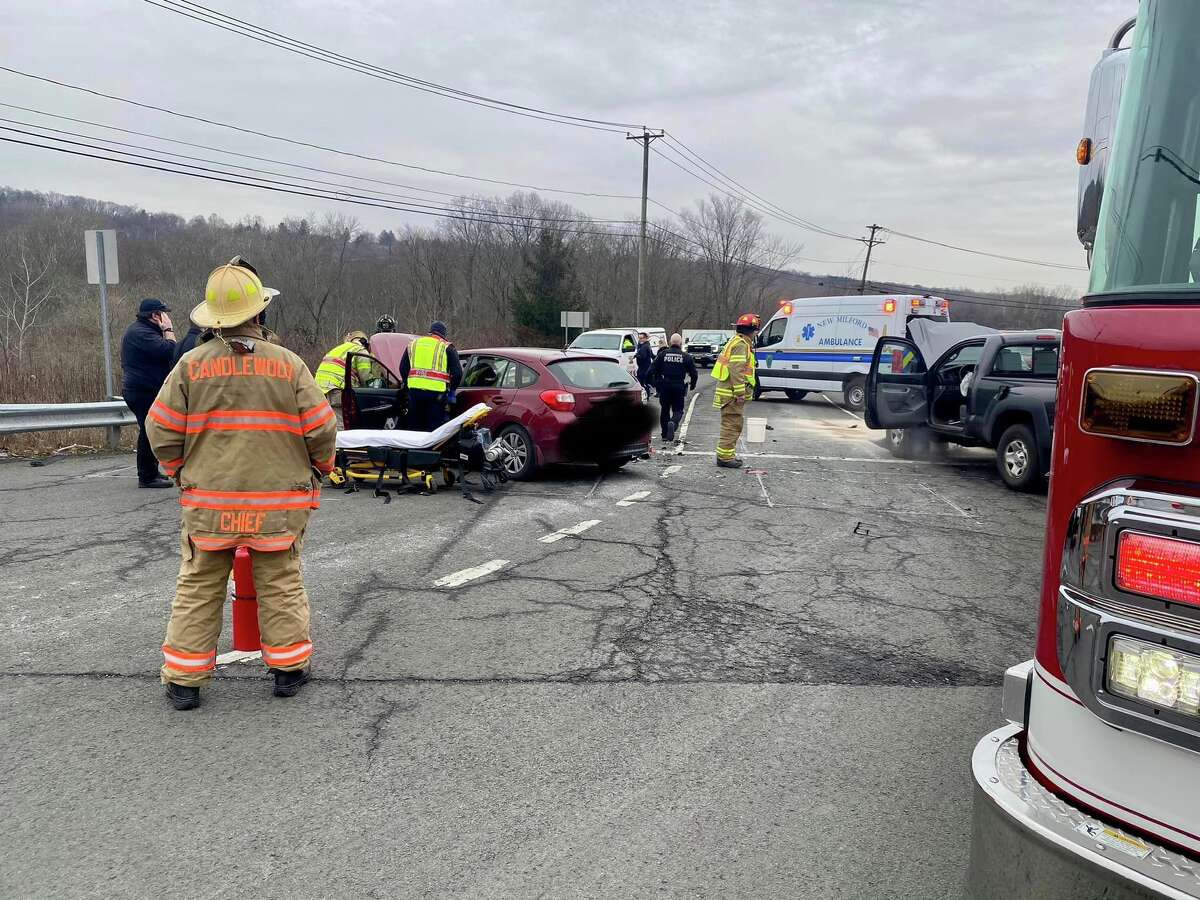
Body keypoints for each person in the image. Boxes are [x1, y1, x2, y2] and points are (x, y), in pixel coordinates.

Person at [146, 256, 336, 711]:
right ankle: (288, 671)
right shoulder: (289, 366)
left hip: (209, 505)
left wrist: (180, 474)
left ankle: (185, 683)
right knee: (282, 582)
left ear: (212, 319)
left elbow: (160, 430)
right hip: (278, 505)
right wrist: (321, 468)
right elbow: (322, 430)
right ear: (259, 312)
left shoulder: (191, 366)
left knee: (198, 586)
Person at [120, 298, 177, 488]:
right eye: (163, 314)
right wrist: (168, 330)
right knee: (148, 431)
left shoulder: (144, 331)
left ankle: (151, 472)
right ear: (155, 315)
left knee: (150, 430)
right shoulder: (141, 333)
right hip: (141, 390)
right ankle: (146, 477)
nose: (167, 318)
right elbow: (170, 350)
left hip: (144, 388)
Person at [712, 314, 760, 468]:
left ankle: (726, 455)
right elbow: (737, 370)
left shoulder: (736, 341)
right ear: (751, 331)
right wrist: (740, 393)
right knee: (732, 425)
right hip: (732, 394)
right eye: (755, 331)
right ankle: (725, 458)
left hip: (729, 393)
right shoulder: (741, 344)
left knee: (732, 424)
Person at [400, 320, 462, 431]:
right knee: (433, 431)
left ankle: (413, 448)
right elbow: (457, 373)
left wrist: (407, 384)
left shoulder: (413, 344)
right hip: (436, 397)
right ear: (443, 335)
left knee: (414, 428)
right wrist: (452, 391)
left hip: (414, 394)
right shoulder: (447, 347)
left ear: (430, 332)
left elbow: (403, 368)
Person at [314, 330, 372, 427]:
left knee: (323, 426)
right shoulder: (360, 351)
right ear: (364, 342)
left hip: (318, 391)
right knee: (338, 426)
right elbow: (366, 379)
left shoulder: (336, 349)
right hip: (336, 389)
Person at [651, 332, 697, 443]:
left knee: (665, 409)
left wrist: (655, 383)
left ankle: (664, 434)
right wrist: (693, 385)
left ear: (671, 342)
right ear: (680, 343)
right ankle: (673, 422)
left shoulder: (662, 354)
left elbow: (652, 370)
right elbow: (694, 373)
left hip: (665, 385)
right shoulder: (686, 356)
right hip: (678, 385)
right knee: (678, 410)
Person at [635, 332, 654, 398]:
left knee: (642, 383)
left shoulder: (645, 346)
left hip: (644, 368)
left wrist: (637, 355)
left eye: (642, 338)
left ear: (645, 338)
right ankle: (646, 395)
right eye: (639, 338)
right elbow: (652, 355)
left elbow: (643, 357)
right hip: (643, 367)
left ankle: (646, 396)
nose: (640, 340)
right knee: (642, 382)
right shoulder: (644, 345)